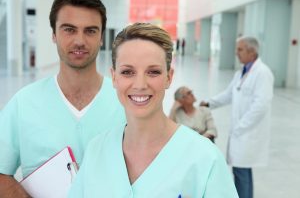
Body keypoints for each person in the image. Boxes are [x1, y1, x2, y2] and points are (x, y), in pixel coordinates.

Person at [68, 22, 238, 198]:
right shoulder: (96, 150)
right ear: (114, 77)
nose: (140, 85)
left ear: (168, 77)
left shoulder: (205, 158)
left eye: (153, 72)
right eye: (127, 72)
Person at [0, 0, 125, 197]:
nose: (79, 41)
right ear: (54, 35)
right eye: (69, 29)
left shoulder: (125, 100)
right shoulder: (24, 104)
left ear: (101, 37)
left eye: (90, 31)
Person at [200, 36, 274, 198]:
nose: (236, 53)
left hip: (248, 132)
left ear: (252, 51)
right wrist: (209, 103)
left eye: (240, 49)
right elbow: (229, 94)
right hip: (242, 133)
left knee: (241, 173)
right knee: (242, 172)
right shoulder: (242, 72)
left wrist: (241, 126)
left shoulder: (262, 73)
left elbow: (261, 106)